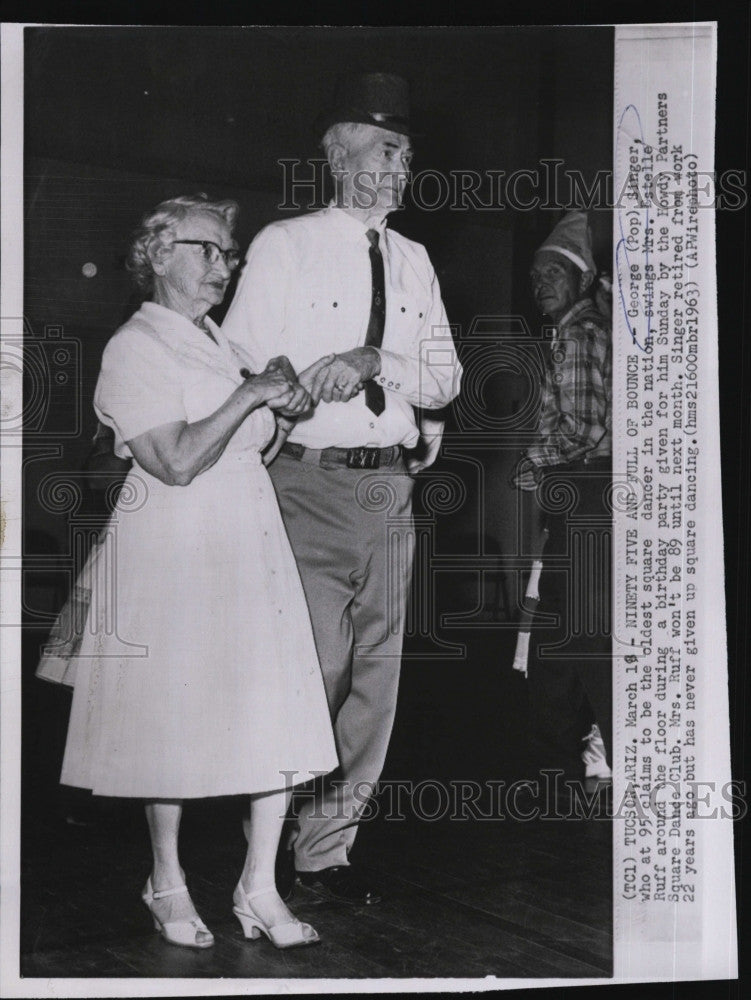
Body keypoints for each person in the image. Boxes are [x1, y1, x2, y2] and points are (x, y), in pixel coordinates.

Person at [59, 193, 338, 950]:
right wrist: (249, 393)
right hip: (173, 544)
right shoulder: (134, 346)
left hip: (249, 536)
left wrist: (279, 412)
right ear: (156, 254)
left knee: (275, 707)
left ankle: (258, 886)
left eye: (229, 253)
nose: (225, 265)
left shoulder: (218, 341)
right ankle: (167, 881)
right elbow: (176, 461)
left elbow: (251, 448)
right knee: (170, 717)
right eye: (207, 249)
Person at [222, 72, 462, 904]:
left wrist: (374, 363)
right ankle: (262, 847)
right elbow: (243, 361)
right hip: (307, 488)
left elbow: (443, 377)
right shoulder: (286, 245)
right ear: (339, 152)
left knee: (373, 681)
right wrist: (292, 382)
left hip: (388, 494)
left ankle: (324, 852)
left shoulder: (415, 260)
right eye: (389, 149)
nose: (402, 168)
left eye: (407, 153)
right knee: (310, 674)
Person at [512, 210, 612, 786]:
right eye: (534, 276)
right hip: (582, 493)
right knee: (562, 622)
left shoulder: (579, 332)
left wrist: (531, 461)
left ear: (579, 278)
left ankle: (588, 746)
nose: (541, 284)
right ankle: (561, 746)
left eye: (553, 273)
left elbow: (580, 428)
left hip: (587, 490)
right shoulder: (580, 329)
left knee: (580, 627)